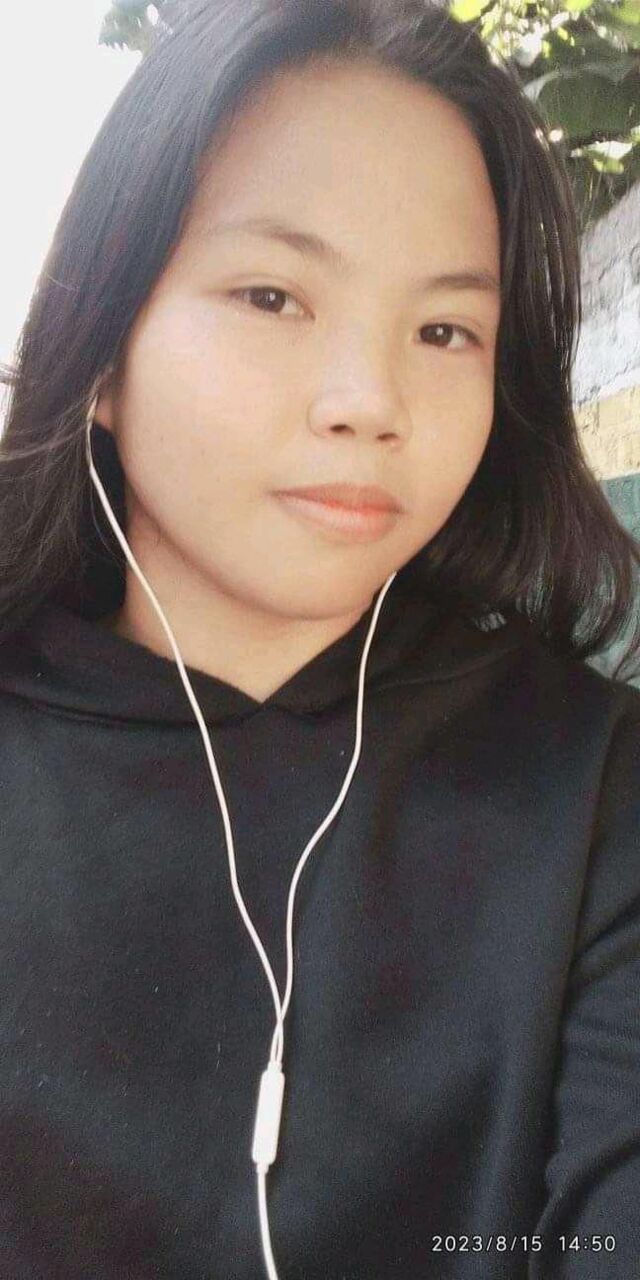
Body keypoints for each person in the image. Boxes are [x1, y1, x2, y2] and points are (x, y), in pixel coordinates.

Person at [0, 1, 639, 1276]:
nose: (369, 402)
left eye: (444, 329)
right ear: (103, 344)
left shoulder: (596, 786)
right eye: (272, 294)